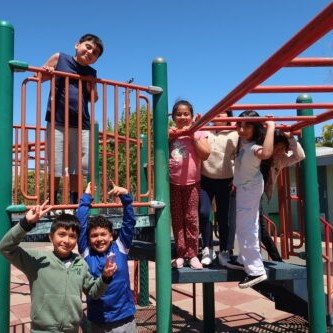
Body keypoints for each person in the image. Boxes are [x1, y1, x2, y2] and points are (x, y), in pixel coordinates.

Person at [0, 201, 115, 333]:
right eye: (61, 234)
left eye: (72, 236)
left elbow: (94, 293)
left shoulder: (80, 263)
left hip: (71, 329)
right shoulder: (37, 259)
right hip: (42, 330)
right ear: (51, 237)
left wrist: (105, 277)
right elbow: (6, 248)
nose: (66, 241)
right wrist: (25, 223)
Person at [41, 33, 104, 205]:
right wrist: (47, 72)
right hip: (57, 120)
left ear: (96, 59)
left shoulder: (91, 72)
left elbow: (93, 99)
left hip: (81, 123)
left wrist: (92, 85)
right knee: (56, 164)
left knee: (78, 167)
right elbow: (38, 78)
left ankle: (76, 202)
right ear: (77, 45)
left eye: (95, 53)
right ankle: (52, 201)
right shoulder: (60, 58)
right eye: (88, 47)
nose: (90, 52)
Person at [76, 181, 137, 332]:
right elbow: (81, 224)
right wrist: (86, 198)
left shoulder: (120, 247)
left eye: (103, 234)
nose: (99, 239)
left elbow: (129, 222)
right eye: (94, 235)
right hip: (99, 320)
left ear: (111, 236)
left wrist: (125, 197)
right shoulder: (86, 252)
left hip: (125, 318)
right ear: (88, 239)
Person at [226, 110, 275, 289]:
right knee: (247, 225)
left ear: (256, 128)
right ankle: (243, 259)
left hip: (249, 189)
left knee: (246, 228)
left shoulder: (254, 147)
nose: (242, 129)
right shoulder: (244, 144)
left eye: (247, 126)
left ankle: (256, 270)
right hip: (244, 187)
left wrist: (271, 127)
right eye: (240, 125)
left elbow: (267, 153)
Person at [169, 100, 210, 270]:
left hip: (192, 183)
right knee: (177, 219)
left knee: (191, 218)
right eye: (179, 114)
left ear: (192, 117)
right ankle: (180, 253)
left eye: (186, 114)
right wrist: (174, 134)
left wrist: (192, 135)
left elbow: (206, 154)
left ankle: (192, 254)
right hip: (173, 182)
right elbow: (162, 137)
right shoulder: (171, 133)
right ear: (173, 117)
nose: (183, 117)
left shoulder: (199, 133)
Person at [199, 110, 238, 266]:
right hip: (205, 178)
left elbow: (239, 156)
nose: (219, 116)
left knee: (223, 217)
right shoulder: (205, 130)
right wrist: (198, 123)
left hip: (225, 180)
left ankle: (224, 250)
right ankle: (207, 248)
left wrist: (236, 177)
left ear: (229, 118)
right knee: (203, 212)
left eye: (223, 114)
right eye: (217, 113)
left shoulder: (235, 134)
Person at [259, 129, 305, 261]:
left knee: (260, 229)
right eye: (277, 148)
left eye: (283, 148)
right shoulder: (260, 154)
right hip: (248, 192)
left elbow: (300, 156)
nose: (279, 151)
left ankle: (275, 258)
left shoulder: (281, 159)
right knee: (259, 229)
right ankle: (275, 258)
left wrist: (291, 139)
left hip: (258, 195)